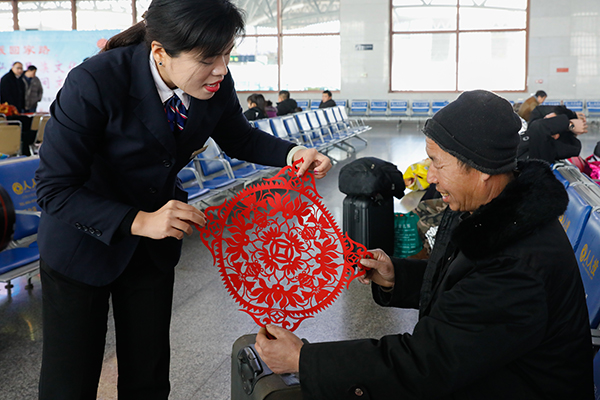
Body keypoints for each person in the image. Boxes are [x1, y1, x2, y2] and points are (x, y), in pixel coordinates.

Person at [34, 1, 331, 398]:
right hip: (82, 241)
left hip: (152, 246)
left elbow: (239, 137)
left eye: (227, 54)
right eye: (209, 58)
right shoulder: (95, 81)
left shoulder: (213, 82)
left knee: (149, 372)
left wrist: (292, 154)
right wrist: (139, 220)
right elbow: (54, 188)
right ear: (159, 52)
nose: (222, 70)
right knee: (70, 378)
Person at [255, 90, 593, 399]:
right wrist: (396, 276)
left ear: (482, 170)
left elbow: (427, 363)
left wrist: (305, 360)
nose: (429, 176)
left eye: (438, 163)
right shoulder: (492, 211)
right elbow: (467, 295)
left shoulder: (518, 265)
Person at [518, 105, 587, 163]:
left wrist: (570, 124)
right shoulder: (532, 136)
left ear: (555, 135)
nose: (542, 120)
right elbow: (538, 111)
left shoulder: (543, 150)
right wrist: (573, 115)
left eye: (548, 122)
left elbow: (539, 126)